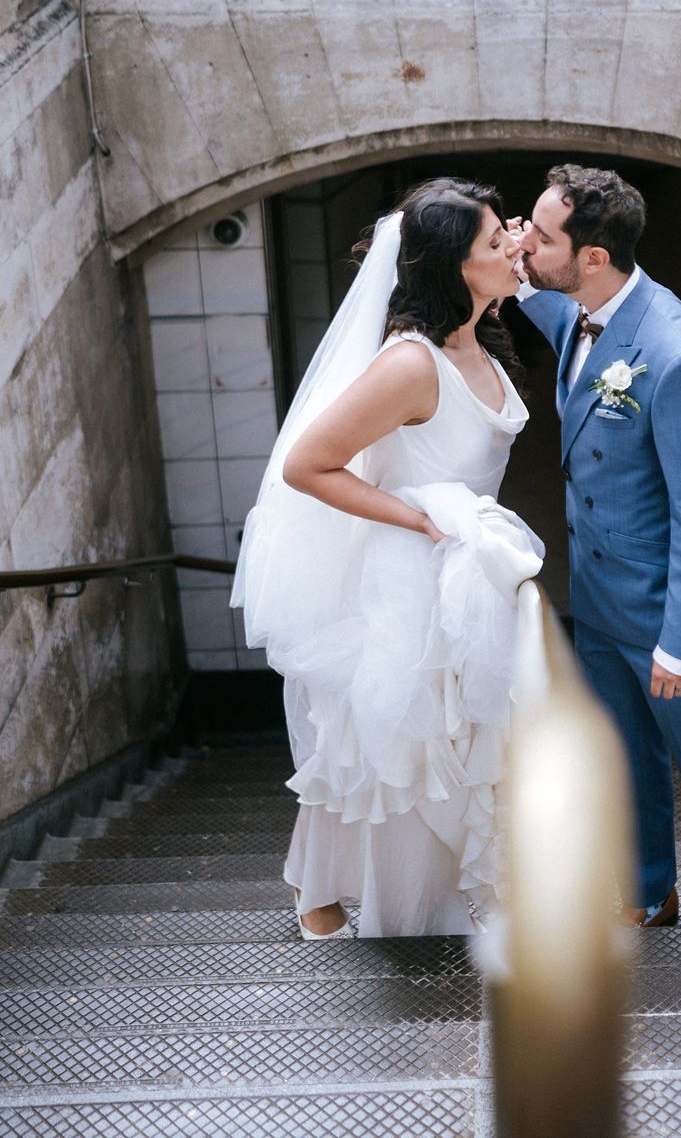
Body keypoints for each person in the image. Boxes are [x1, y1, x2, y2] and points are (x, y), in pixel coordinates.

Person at [231, 179, 542, 939]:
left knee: (440, 747)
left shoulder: (482, 334)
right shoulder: (410, 364)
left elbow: (523, 280)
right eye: (497, 241)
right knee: (402, 753)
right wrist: (419, 520)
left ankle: (337, 895)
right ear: (452, 267)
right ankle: (400, 915)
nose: (516, 247)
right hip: (413, 577)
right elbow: (309, 465)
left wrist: (518, 257)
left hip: (473, 581)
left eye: (511, 233)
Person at [516, 163, 681, 927]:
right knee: (627, 755)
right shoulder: (584, 309)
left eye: (539, 234)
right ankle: (649, 890)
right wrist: (515, 272)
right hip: (598, 601)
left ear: (592, 257)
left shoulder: (675, 355)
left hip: (670, 612)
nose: (524, 241)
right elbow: (557, 320)